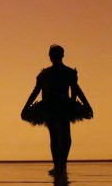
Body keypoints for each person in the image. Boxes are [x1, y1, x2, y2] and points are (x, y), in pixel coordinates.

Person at [21, 45, 93, 175]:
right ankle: (60, 165)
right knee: (63, 136)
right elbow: (37, 91)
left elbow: (75, 90)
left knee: (58, 136)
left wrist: (26, 107)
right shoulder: (54, 73)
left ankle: (60, 165)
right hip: (57, 105)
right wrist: (25, 107)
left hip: (56, 105)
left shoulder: (55, 73)